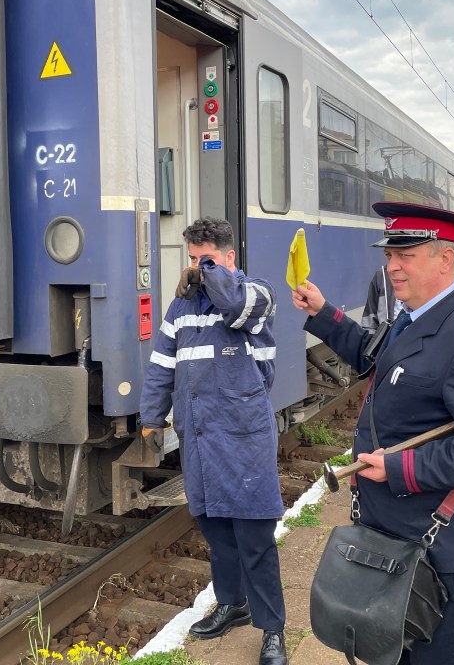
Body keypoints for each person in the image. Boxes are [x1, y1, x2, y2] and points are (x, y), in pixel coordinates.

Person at [292, 202, 454, 665]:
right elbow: (378, 359)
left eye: (406, 255)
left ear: (445, 258)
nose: (392, 266)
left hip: (436, 549)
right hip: (396, 533)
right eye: (389, 255)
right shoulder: (415, 315)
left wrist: (400, 468)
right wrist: (324, 314)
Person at [138, 217, 287, 665]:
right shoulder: (181, 308)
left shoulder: (256, 294)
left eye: (207, 259)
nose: (197, 268)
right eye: (192, 259)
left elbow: (235, 304)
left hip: (244, 439)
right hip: (200, 439)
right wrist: (151, 417)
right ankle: (232, 603)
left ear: (229, 257)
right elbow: (162, 365)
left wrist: (210, 275)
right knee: (217, 532)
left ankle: (273, 629)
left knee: (254, 537)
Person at [361, 261, 405, 335]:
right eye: (389, 255)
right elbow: (368, 326)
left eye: (404, 255)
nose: (391, 268)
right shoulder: (381, 276)